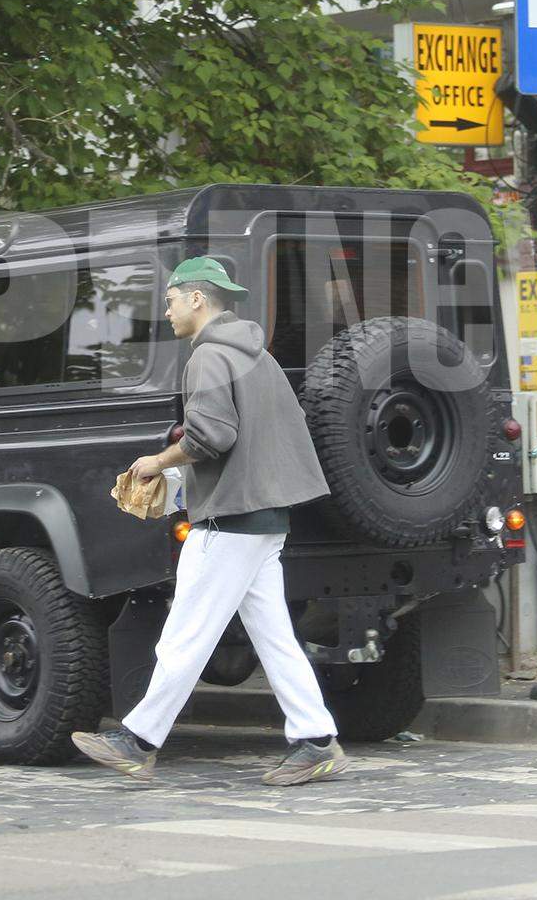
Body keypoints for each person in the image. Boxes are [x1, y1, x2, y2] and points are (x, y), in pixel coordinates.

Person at [72, 257, 346, 786]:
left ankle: (137, 740)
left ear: (197, 299)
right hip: (265, 518)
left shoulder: (208, 356)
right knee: (275, 638)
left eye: (171, 299)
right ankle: (315, 741)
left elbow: (211, 437)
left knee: (185, 634)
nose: (167, 310)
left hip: (231, 520)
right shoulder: (255, 356)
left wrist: (157, 463)